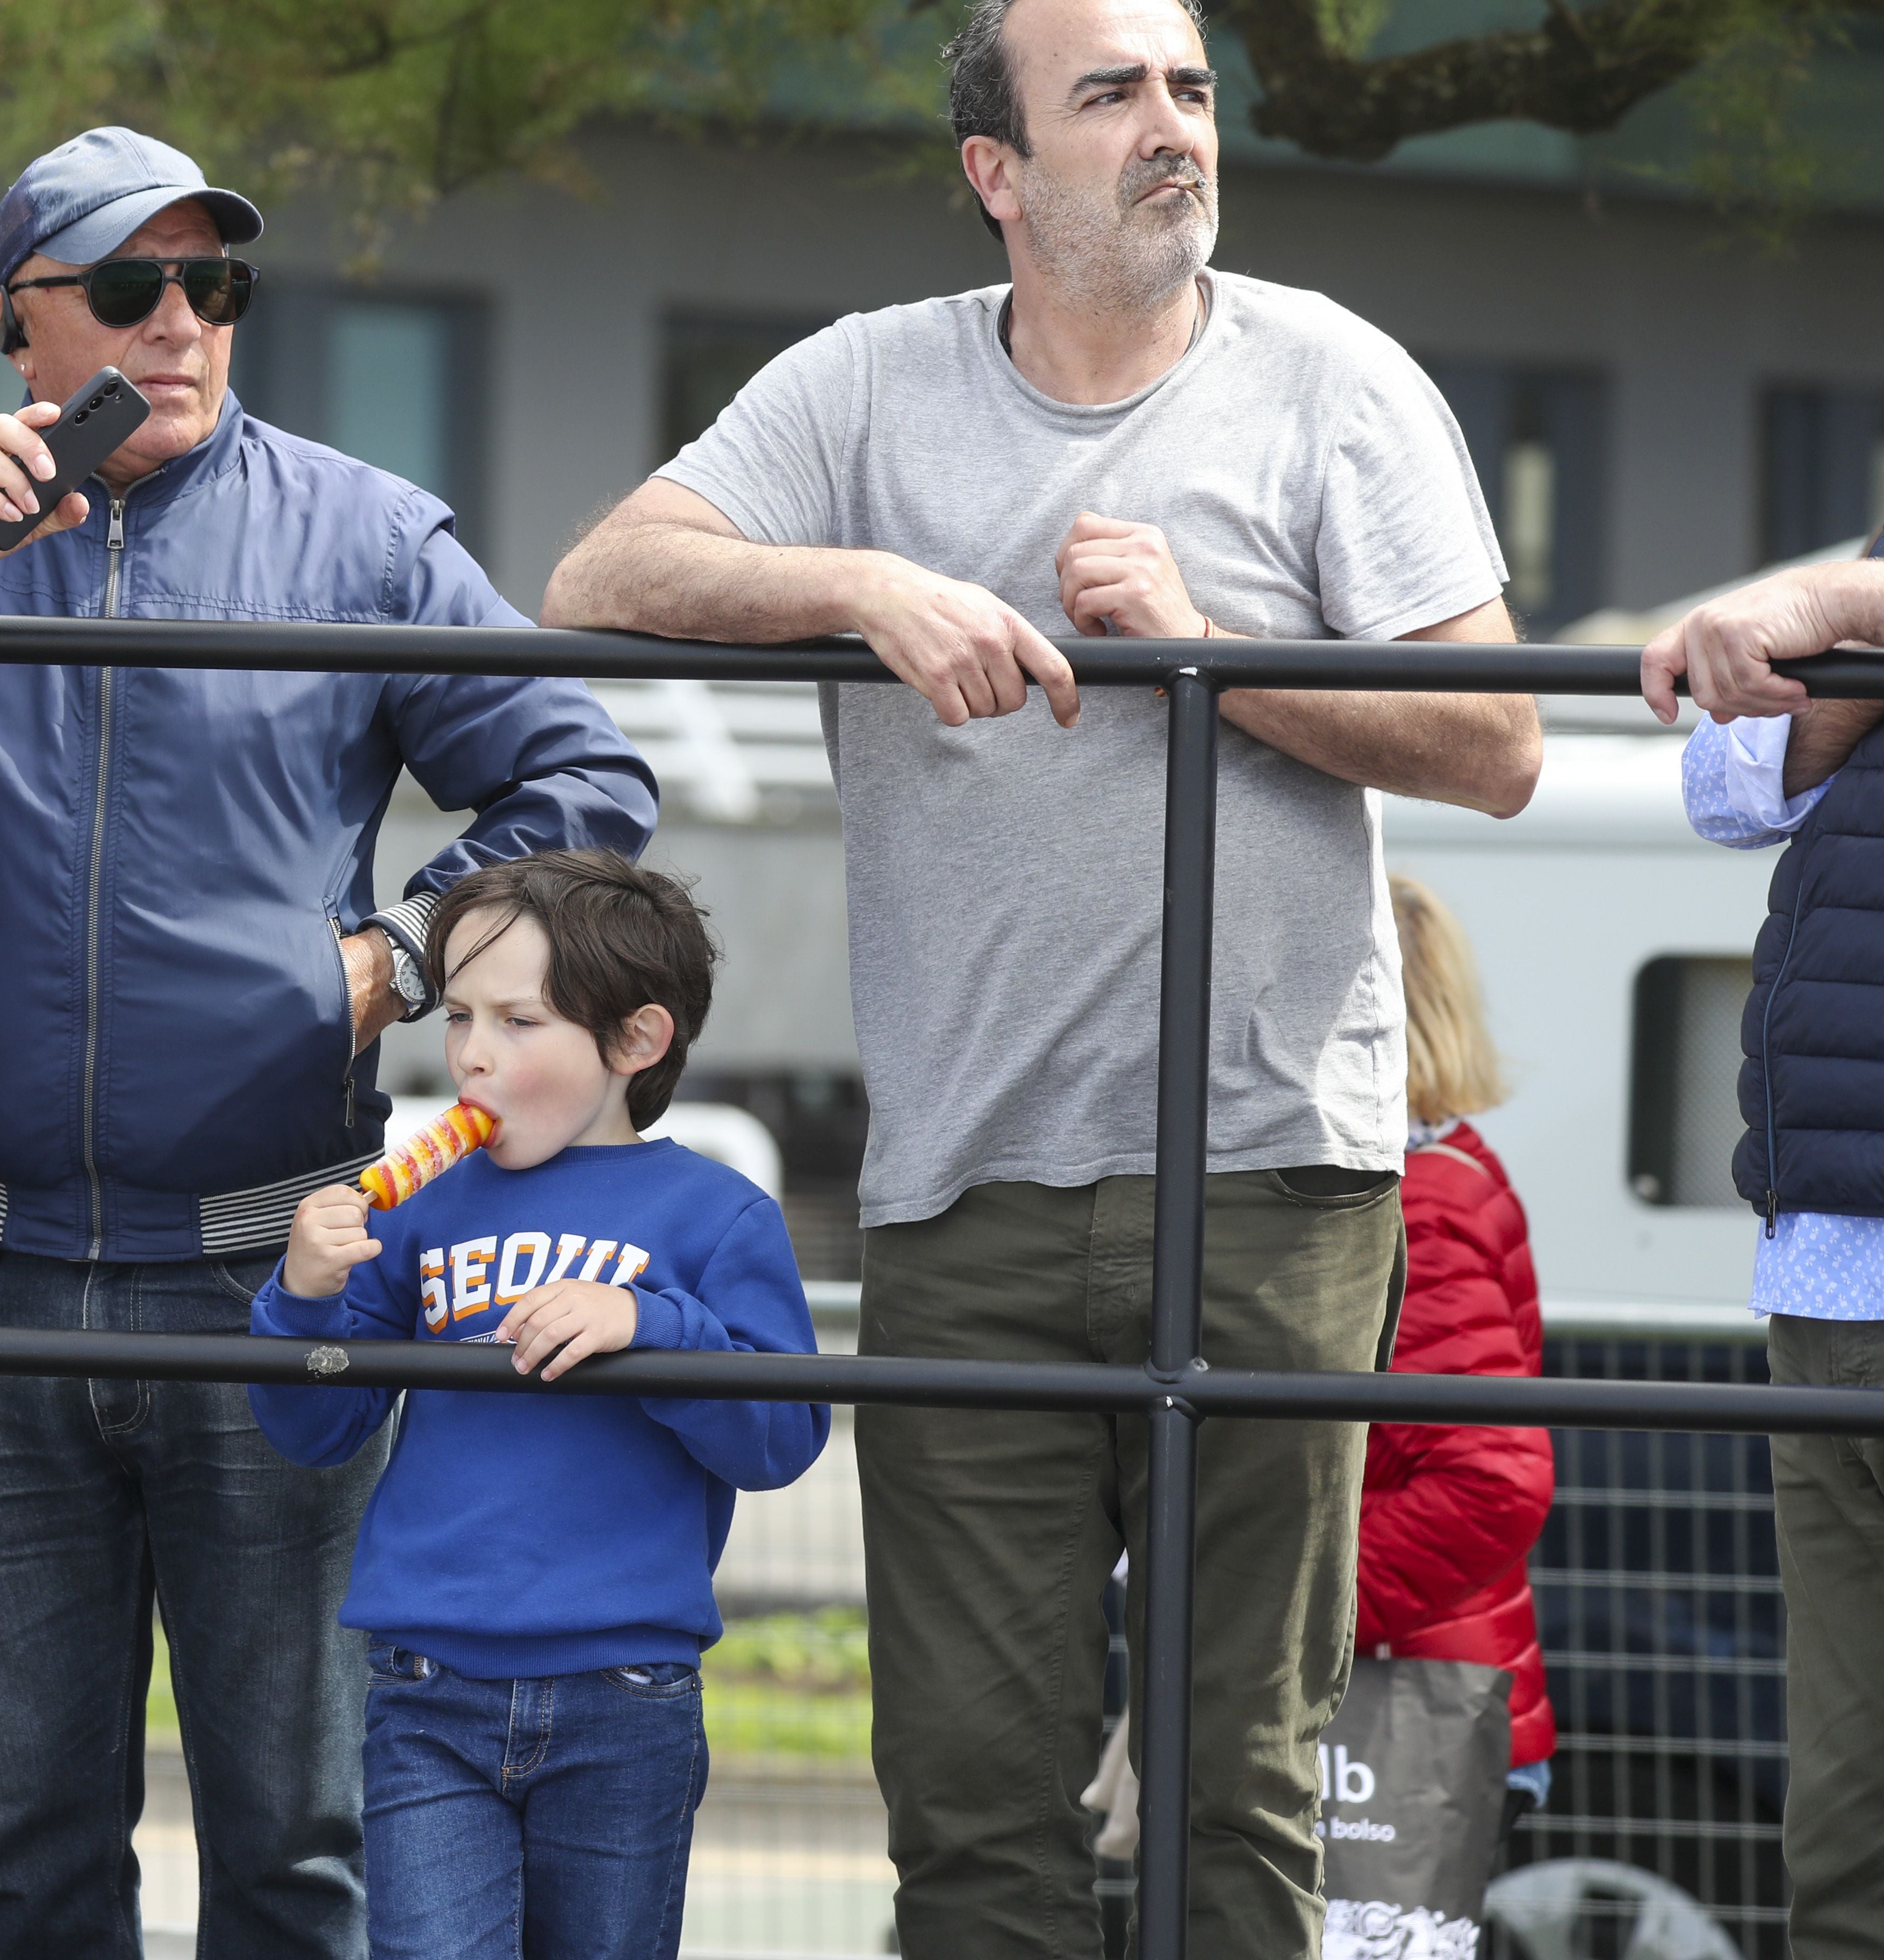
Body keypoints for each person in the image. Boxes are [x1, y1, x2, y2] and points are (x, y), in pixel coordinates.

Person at [542, 0, 1543, 1946]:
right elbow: (600, 576)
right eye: (1112, 96)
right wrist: (858, 582)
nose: (1175, 125)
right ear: (994, 173)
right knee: (973, 1806)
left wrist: (1208, 647)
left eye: (1189, 86)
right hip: (962, 1189)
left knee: (1233, 1795)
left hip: (1267, 1185)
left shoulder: (1334, 376)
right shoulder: (864, 383)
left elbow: (1497, 743)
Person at [0, 125, 656, 1959]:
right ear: (15, 324)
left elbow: (586, 772)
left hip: (278, 1284)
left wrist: (397, 951)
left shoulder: (365, 533)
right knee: (23, 1856)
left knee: (298, 1845)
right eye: (126, 286)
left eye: (212, 283)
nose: (180, 321)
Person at [249, 850, 828, 1960]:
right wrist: (301, 1300)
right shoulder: (419, 1208)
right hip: (426, 1687)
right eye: (460, 1016)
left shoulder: (722, 1217)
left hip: (628, 1694)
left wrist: (655, 1327)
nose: (471, 1054)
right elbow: (311, 1429)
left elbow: (780, 1442)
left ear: (635, 1043)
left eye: (519, 1022)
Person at [1645, 532, 1884, 1960]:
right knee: (1844, 1799)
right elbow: (1720, 789)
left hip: (1829, 1281)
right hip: (1826, 1284)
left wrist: (1841, 608)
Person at [1365, 875, 1555, 1842]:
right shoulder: (1454, 1164)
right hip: (1444, 1678)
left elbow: (1492, 1481)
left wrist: (1294, 1609)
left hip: (1401, 1697)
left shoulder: (1414, 1209)